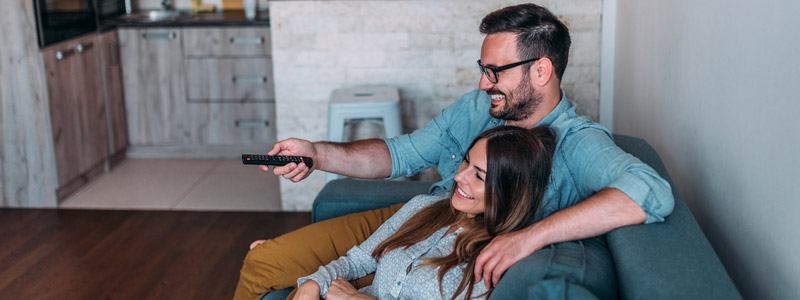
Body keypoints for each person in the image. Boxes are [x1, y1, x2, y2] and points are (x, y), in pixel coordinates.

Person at [234, 3, 674, 300]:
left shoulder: (577, 141)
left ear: (541, 70)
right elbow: (401, 154)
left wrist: (531, 236)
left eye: (494, 72)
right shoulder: (478, 106)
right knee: (264, 260)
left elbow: (650, 192)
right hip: (418, 219)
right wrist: (315, 154)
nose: (484, 83)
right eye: (483, 70)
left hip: (453, 256)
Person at [293, 126, 556, 300]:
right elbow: (359, 260)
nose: (460, 177)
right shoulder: (423, 207)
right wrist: (314, 283)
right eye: (466, 161)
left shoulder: (496, 255)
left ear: (508, 192)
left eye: (479, 176)